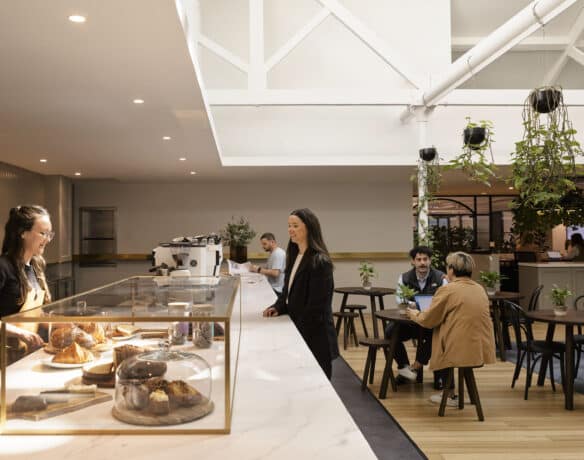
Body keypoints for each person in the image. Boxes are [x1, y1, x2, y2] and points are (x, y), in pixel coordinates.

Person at [406, 251, 496, 406]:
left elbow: (428, 320)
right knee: (445, 334)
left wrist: (414, 314)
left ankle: (447, 392)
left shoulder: (448, 290)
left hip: (457, 349)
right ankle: (449, 391)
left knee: (434, 335)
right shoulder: (479, 288)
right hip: (480, 348)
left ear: (452, 269)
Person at [262, 208, 339, 379]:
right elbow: (287, 290)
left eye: (295, 226)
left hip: (315, 336)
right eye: (289, 225)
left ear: (309, 228)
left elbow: (316, 308)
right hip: (300, 329)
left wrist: (295, 332)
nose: (290, 230)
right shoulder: (295, 254)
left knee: (317, 385)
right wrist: (278, 306)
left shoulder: (320, 261)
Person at [386, 246, 447, 385]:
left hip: (431, 323)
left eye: (425, 259)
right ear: (413, 261)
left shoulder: (440, 278)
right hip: (410, 322)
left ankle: (438, 375)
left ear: (430, 261)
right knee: (390, 332)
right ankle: (405, 368)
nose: (422, 263)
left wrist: (416, 305)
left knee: (437, 335)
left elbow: (445, 300)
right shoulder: (404, 277)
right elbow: (400, 300)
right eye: (418, 259)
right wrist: (417, 305)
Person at [0, 205, 52, 362]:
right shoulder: (3, 266)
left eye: (50, 234)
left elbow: (32, 315)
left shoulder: (36, 268)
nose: (47, 239)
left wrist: (65, 324)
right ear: (23, 232)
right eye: (43, 233)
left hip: (23, 357)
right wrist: (21, 333)